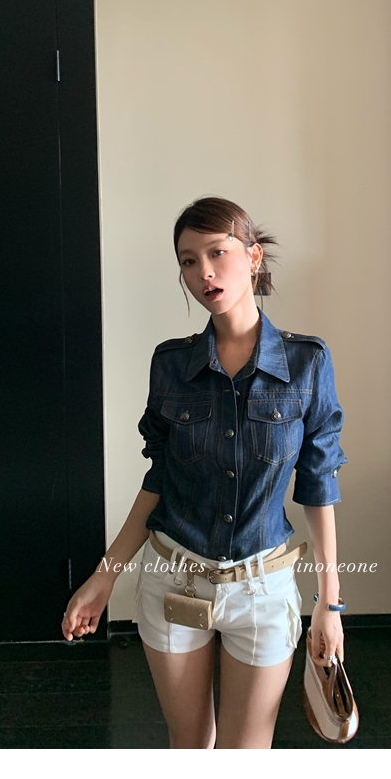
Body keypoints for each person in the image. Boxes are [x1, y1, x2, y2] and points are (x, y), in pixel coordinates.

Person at [62, 196, 347, 749]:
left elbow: (319, 485)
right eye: (189, 261)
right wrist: (105, 575)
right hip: (174, 580)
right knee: (190, 747)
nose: (204, 273)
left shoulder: (307, 363)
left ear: (254, 256)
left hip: (263, 589)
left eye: (217, 253)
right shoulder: (171, 364)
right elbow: (159, 481)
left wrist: (329, 604)